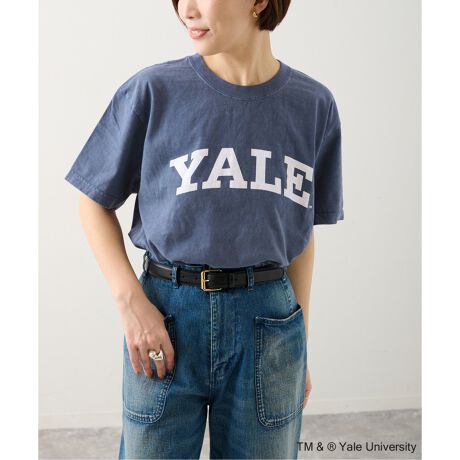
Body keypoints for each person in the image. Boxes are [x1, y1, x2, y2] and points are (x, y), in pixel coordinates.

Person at [64, 0, 344, 458]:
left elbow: (299, 233)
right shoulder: (153, 91)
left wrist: (299, 346)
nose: (187, 10)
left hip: (269, 321)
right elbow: (92, 199)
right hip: (166, 314)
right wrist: (132, 305)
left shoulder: (313, 105)